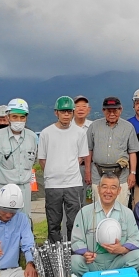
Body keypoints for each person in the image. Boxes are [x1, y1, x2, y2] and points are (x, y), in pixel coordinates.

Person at [69, 173, 139, 277]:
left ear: (119, 191)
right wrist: (85, 253)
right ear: (98, 189)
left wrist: (121, 249)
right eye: (104, 187)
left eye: (113, 188)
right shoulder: (84, 212)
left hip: (118, 259)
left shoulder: (127, 212)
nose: (108, 191)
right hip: (93, 261)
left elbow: (135, 238)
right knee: (73, 261)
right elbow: (77, 239)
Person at [38, 96, 89, 242]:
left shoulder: (80, 133)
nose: (66, 114)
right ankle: (56, 255)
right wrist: (53, 171)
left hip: (73, 184)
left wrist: (68, 167)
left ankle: (74, 255)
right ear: (56, 113)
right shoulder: (46, 133)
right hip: (52, 185)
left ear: (72, 113)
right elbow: (42, 160)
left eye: (69, 111)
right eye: (63, 111)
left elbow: (81, 157)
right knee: (53, 224)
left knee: (74, 223)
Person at [0, 98, 39, 210]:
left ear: (26, 118)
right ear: (8, 117)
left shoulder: (32, 137)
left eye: (22, 117)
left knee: (24, 221)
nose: (18, 120)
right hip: (2, 188)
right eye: (15, 117)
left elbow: (33, 160)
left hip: (24, 190)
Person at [86, 96, 139, 207]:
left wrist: (133, 173)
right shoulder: (94, 126)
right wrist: (87, 171)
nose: (112, 113)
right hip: (98, 173)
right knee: (98, 209)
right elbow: (89, 150)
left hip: (121, 174)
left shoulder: (128, 127)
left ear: (121, 110)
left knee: (120, 208)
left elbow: (132, 152)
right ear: (103, 111)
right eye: (108, 110)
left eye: (115, 110)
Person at [73, 95, 93, 203]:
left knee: (88, 200)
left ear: (88, 110)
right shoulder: (67, 126)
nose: (80, 109)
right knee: (72, 200)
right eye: (77, 106)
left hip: (88, 168)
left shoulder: (93, 126)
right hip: (71, 168)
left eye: (83, 106)